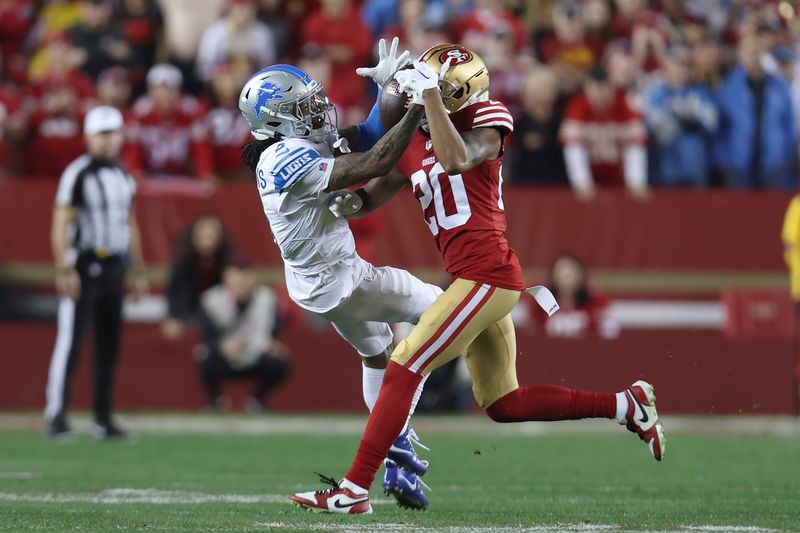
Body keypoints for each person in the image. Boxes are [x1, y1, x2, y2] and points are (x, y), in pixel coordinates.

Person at [290, 44, 665, 515]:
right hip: (475, 280)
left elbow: (456, 160)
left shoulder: (487, 121)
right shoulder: (417, 135)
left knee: (405, 361)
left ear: (458, 95)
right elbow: (376, 188)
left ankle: (355, 488)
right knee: (503, 402)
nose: (421, 92)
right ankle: (625, 405)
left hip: (487, 275)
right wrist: (351, 202)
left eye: (435, 87)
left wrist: (428, 100)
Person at [238, 38, 442, 508]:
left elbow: (370, 134)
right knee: (444, 311)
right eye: (303, 106)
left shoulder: (294, 145)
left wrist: (390, 91)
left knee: (377, 352)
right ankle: (398, 448)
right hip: (342, 281)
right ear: (276, 119)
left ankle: (389, 457)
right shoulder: (282, 160)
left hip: (322, 282)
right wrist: (417, 104)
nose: (318, 109)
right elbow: (377, 161)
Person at [45, 106, 148, 439]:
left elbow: (129, 223)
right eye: (102, 134)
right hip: (84, 263)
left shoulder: (123, 175)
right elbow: (62, 220)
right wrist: (64, 267)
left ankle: (102, 418)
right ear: (89, 137)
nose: (109, 141)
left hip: (114, 265)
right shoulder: (78, 173)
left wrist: (138, 267)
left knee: (109, 344)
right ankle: (57, 414)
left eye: (113, 133)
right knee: (71, 342)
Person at [197, 257, 290, 412]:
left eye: (245, 276)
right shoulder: (212, 300)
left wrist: (269, 345)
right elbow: (207, 337)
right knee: (204, 357)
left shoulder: (266, 298)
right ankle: (216, 400)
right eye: (235, 276)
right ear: (226, 278)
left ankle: (258, 400)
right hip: (225, 358)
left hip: (257, 354)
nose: (241, 282)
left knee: (281, 362)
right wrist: (222, 347)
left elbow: (273, 330)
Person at [714, 35, 797, 189]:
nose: (753, 56)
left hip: (774, 166)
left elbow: (788, 126)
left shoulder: (779, 87)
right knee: (739, 211)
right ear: (740, 56)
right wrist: (723, 160)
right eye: (748, 51)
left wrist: (787, 158)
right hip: (738, 166)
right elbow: (721, 127)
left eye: (757, 51)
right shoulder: (729, 88)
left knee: (774, 211)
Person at [560, 64, 649, 200]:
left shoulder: (625, 106)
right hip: (591, 176)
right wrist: (582, 182)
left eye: (604, 87)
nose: (600, 93)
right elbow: (572, 147)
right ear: (587, 88)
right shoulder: (577, 107)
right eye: (595, 88)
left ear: (612, 88)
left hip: (619, 177)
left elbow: (636, 144)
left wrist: (636, 181)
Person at [124, 63, 215, 181]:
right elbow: (132, 148)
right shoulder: (139, 112)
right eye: (159, 89)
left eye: (170, 89)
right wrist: (135, 172)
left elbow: (202, 147)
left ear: (179, 91)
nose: (164, 95)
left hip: (184, 176)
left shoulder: (192, 111)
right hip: (149, 175)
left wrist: (205, 173)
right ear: (149, 91)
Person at [645, 44, 718, 187]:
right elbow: (658, 128)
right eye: (678, 64)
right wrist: (690, 119)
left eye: (687, 65)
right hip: (665, 171)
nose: (683, 69)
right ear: (666, 65)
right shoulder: (655, 93)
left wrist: (677, 118)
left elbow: (712, 122)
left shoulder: (701, 92)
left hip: (697, 170)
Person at [161, 215, 234, 340]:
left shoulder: (227, 259)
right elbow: (175, 291)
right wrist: (174, 316)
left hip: (218, 314)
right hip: (189, 313)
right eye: (203, 236)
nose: (207, 241)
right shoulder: (183, 259)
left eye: (211, 237)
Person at [535, 254, 619, 339]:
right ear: (553, 275)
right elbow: (533, 332)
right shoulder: (540, 301)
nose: (566, 274)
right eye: (561, 270)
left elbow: (609, 331)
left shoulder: (595, 300)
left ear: (581, 275)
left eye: (571, 270)